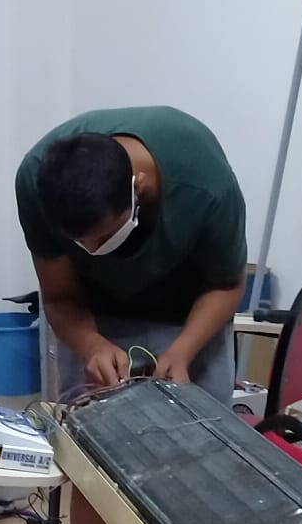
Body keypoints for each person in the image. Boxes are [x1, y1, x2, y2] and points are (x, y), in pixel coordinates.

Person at [15, 108, 247, 405]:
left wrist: (182, 351)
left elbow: (226, 284)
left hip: (191, 312)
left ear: (138, 187)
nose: (93, 251)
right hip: (92, 313)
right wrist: (91, 345)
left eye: (103, 237)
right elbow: (59, 298)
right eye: (79, 243)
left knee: (198, 420)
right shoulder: (36, 181)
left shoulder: (207, 186)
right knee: (88, 418)